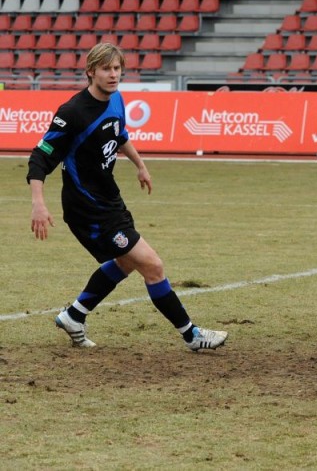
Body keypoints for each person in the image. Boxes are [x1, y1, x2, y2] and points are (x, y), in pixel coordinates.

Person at [27, 43, 228, 352]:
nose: (113, 74)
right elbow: (41, 156)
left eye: (117, 68)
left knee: (125, 262)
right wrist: (39, 204)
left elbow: (120, 135)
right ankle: (192, 335)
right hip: (87, 208)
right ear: (91, 71)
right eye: (107, 69)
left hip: (109, 199)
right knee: (152, 265)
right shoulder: (73, 112)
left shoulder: (116, 98)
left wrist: (140, 164)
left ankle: (73, 315)